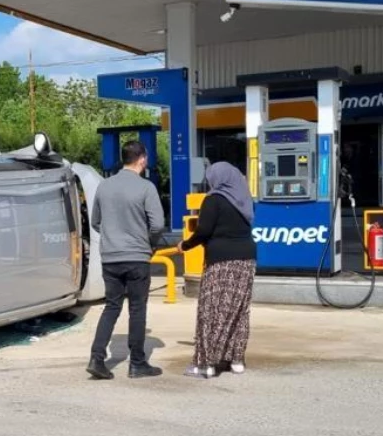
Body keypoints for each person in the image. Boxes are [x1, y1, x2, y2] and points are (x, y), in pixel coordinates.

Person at [86, 140, 166, 381]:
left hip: (110, 258)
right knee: (137, 308)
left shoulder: (104, 187)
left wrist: (114, 239)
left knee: (111, 307)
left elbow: (95, 221)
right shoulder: (146, 187)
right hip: (137, 256)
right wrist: (149, 243)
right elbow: (158, 224)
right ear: (142, 158)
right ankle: (137, 363)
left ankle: (97, 358)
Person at [180, 162, 257, 379]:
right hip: (247, 259)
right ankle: (236, 360)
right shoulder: (244, 198)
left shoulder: (213, 200)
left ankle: (206, 364)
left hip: (221, 261)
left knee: (211, 310)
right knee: (239, 310)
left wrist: (184, 245)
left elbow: (203, 231)